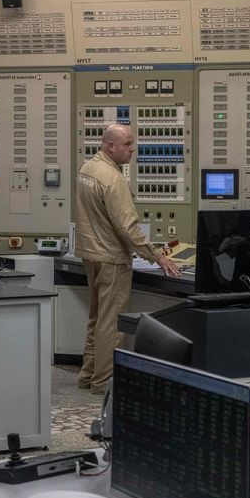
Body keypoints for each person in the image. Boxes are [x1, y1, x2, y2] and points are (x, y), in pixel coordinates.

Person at [74, 124, 182, 395]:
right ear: (110, 146)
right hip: (111, 258)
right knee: (111, 324)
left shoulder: (87, 169)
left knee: (97, 318)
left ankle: (87, 376)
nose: (132, 149)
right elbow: (128, 228)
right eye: (127, 144)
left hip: (91, 254)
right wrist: (157, 256)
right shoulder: (113, 179)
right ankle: (103, 384)